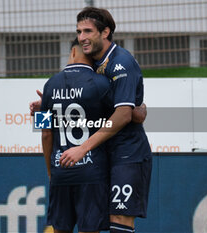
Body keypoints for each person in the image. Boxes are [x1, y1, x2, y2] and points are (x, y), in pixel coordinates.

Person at [59, 7, 152, 233]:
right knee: (87, 223)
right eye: (79, 32)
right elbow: (62, 107)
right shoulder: (81, 67)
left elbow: (123, 114)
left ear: (105, 32)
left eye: (88, 31)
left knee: (119, 218)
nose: (82, 38)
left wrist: (82, 148)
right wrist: (44, 108)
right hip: (93, 157)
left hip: (125, 153)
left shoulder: (121, 63)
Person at [41, 38, 113, 233]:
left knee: (60, 229)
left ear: (72, 53)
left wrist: (51, 170)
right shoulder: (102, 84)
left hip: (60, 171)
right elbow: (116, 122)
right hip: (92, 172)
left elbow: (46, 134)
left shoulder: (49, 85)